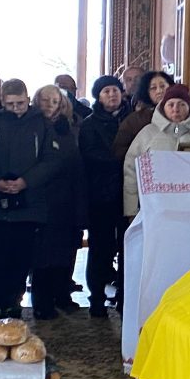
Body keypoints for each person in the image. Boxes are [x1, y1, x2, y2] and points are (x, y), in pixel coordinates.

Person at [0, 79, 61, 317]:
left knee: (21, 259)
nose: (16, 109)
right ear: (2, 102)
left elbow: (51, 160)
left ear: (27, 99)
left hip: (30, 204)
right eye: (10, 104)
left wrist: (26, 181)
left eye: (20, 103)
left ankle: (12, 305)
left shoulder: (42, 124)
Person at [31, 84, 85, 319]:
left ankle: (62, 294)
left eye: (55, 101)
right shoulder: (33, 125)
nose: (50, 105)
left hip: (67, 198)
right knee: (43, 255)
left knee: (66, 251)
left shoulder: (68, 128)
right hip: (43, 197)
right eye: (45, 100)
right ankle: (42, 302)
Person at [80, 75, 131, 318]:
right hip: (100, 195)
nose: (112, 95)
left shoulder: (132, 120)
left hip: (128, 193)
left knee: (127, 246)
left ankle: (124, 296)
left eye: (115, 90)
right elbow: (89, 155)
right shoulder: (90, 124)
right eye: (106, 91)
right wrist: (122, 160)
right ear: (98, 97)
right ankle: (97, 297)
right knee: (100, 248)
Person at [124, 84, 190, 218]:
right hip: (155, 207)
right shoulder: (148, 134)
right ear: (163, 107)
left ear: (189, 107)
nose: (176, 109)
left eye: (181, 104)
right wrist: (131, 210)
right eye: (171, 104)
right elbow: (131, 170)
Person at [111, 71, 174, 162]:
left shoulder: (179, 113)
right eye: (153, 88)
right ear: (146, 92)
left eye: (163, 86)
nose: (159, 91)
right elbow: (120, 150)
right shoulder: (135, 120)